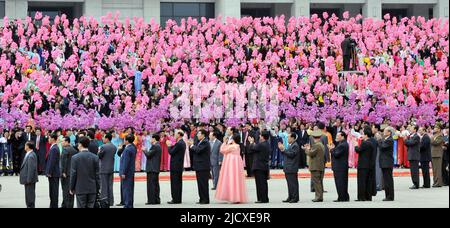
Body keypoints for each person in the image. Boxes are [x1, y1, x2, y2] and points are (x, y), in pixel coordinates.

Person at [215, 133, 248, 204]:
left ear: (234, 139)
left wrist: (224, 142)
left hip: (231, 164)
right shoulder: (237, 146)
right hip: (236, 164)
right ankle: (237, 196)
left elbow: (222, 150)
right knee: (236, 180)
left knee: (231, 179)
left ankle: (233, 196)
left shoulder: (232, 146)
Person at [70, 137, 101, 208]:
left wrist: (71, 188)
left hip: (80, 188)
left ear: (80, 144)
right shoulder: (95, 157)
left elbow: (73, 174)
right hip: (92, 188)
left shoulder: (75, 158)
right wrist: (98, 187)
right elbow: (97, 175)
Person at [188, 129, 211, 205]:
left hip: (203, 166)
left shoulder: (205, 142)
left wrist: (191, 145)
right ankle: (202, 199)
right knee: (200, 184)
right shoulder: (199, 142)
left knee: (203, 183)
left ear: (203, 135)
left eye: (199, 134)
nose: (197, 135)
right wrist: (192, 146)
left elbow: (198, 150)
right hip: (199, 166)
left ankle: (205, 199)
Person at [248, 131, 271, 204]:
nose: (259, 137)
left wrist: (251, 142)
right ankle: (265, 198)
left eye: (260, 135)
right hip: (264, 166)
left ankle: (262, 199)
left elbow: (252, 148)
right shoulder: (267, 144)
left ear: (263, 137)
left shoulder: (261, 144)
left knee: (260, 183)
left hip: (259, 166)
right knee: (264, 183)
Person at [303, 130, 325, 202]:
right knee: (319, 182)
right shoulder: (321, 145)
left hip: (316, 166)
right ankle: (320, 196)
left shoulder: (317, 145)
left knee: (317, 182)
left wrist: (306, 149)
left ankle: (318, 197)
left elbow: (311, 154)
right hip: (320, 166)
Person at [278, 132, 300, 203]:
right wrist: (282, 149)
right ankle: (290, 196)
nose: (287, 138)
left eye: (289, 137)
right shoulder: (291, 145)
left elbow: (291, 154)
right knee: (289, 183)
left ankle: (295, 197)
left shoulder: (295, 145)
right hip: (288, 167)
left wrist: (284, 149)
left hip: (292, 167)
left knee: (293, 183)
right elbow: (287, 153)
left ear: (293, 138)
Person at [354, 127, 374, 201]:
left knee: (361, 181)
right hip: (369, 164)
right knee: (368, 181)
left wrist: (356, 145)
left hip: (363, 165)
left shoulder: (365, 143)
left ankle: (361, 197)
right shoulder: (371, 143)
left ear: (366, 135)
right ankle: (368, 197)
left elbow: (358, 150)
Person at [330, 131, 350, 202]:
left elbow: (336, 154)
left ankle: (342, 197)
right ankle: (344, 197)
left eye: (338, 136)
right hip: (341, 166)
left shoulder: (342, 145)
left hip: (340, 167)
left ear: (342, 136)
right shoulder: (342, 144)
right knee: (343, 182)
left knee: (340, 182)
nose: (336, 137)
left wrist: (331, 149)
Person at [167, 130, 186, 204]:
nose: (174, 136)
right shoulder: (182, 142)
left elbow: (171, 152)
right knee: (178, 183)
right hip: (179, 165)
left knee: (175, 183)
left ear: (179, 134)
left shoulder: (179, 143)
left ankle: (175, 199)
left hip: (175, 166)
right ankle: (178, 198)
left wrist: (169, 146)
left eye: (175, 134)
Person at [98, 133, 117, 206]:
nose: (103, 139)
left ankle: (104, 202)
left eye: (103, 137)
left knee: (104, 186)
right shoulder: (114, 147)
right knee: (110, 186)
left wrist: (99, 151)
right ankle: (111, 201)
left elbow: (99, 156)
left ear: (107, 138)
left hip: (103, 168)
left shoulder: (103, 147)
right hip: (111, 168)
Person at [144, 134, 162, 205]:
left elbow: (148, 155)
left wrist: (144, 150)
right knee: (155, 185)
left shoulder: (155, 146)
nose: (150, 140)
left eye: (151, 138)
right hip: (155, 168)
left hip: (152, 168)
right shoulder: (158, 145)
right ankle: (156, 199)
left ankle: (152, 200)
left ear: (154, 139)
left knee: (151, 185)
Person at [120, 134, 137, 208]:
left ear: (127, 141)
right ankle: (130, 204)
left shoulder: (127, 149)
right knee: (130, 188)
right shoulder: (133, 147)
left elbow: (125, 162)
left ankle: (127, 205)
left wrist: (123, 172)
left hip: (127, 172)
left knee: (126, 188)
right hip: (131, 171)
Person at [20, 141, 38, 208]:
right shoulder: (28, 154)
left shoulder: (31, 156)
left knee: (30, 196)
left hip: (29, 180)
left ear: (28, 146)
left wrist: (29, 179)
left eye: (25, 145)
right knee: (28, 195)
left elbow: (31, 169)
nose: (24, 146)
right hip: (27, 179)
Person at [61, 137, 78, 208]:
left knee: (65, 190)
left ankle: (66, 205)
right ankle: (69, 205)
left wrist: (63, 171)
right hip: (72, 172)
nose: (62, 143)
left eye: (63, 141)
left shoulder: (65, 149)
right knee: (71, 190)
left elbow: (63, 162)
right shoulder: (74, 149)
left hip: (66, 174)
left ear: (67, 142)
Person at [378, 127, 395, 201]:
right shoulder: (385, 139)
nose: (383, 132)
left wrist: (379, 139)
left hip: (387, 162)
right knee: (386, 180)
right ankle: (387, 195)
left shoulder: (390, 140)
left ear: (389, 132)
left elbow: (382, 147)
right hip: (384, 162)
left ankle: (390, 196)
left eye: (385, 131)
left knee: (388, 180)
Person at [45, 133, 61, 208]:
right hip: (53, 173)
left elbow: (52, 161)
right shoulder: (53, 147)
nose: (48, 139)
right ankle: (52, 204)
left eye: (49, 138)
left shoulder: (54, 148)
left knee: (54, 191)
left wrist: (49, 172)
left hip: (53, 173)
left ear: (53, 139)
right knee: (52, 190)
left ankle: (54, 205)